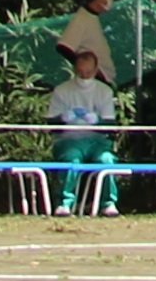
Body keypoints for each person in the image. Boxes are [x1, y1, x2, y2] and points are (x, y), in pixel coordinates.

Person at [48, 49, 126, 214]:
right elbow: (50, 123)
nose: (84, 76)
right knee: (72, 158)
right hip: (69, 139)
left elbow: (110, 124)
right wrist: (63, 118)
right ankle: (65, 203)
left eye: (88, 72)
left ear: (96, 70)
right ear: (75, 69)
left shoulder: (104, 91)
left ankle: (108, 203)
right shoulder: (62, 90)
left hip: (97, 141)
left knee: (106, 160)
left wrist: (97, 120)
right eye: (80, 72)